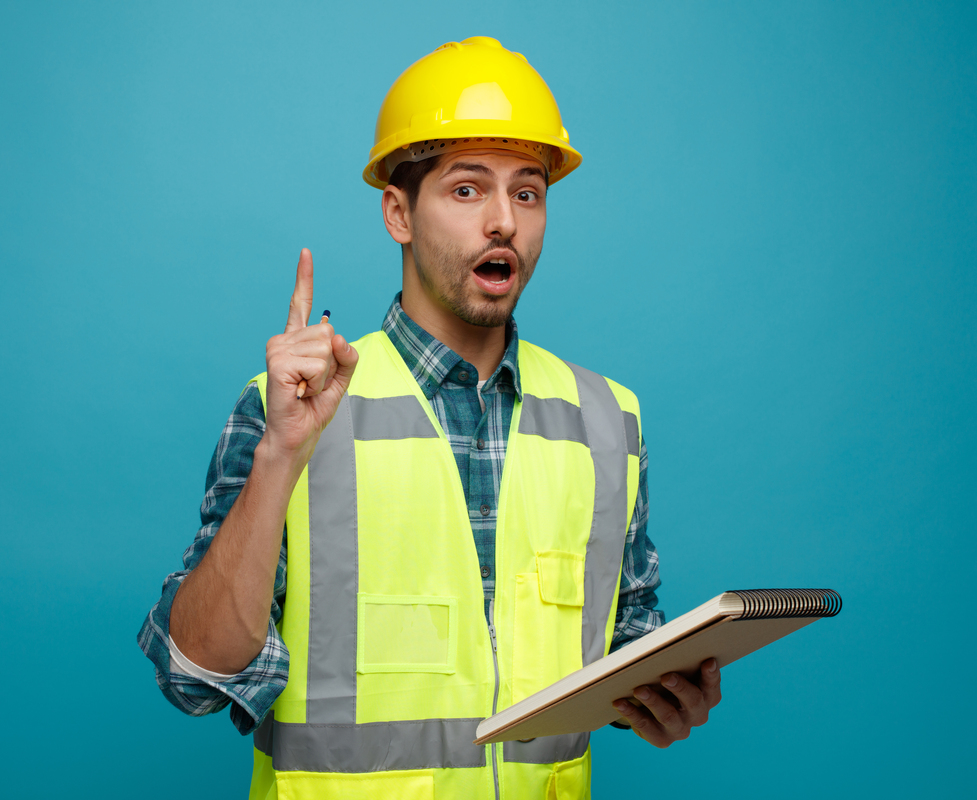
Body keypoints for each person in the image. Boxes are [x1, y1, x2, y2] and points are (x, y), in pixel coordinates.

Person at [139, 36, 721, 798]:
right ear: (398, 213)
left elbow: (625, 645)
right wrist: (281, 454)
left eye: (527, 192)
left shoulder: (608, 420)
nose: (504, 223)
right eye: (467, 190)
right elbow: (196, 676)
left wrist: (660, 699)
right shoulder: (293, 407)